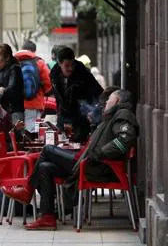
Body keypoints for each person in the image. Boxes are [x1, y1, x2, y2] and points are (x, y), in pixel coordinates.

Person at [10, 88, 139, 230]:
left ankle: (27, 189)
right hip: (88, 163)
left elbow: (124, 140)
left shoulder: (123, 114)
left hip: (96, 166)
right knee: (44, 167)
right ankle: (47, 217)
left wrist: (100, 153)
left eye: (109, 99)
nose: (106, 102)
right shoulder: (113, 115)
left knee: (47, 149)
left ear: (117, 101)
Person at [51, 46, 103, 143]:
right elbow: (58, 98)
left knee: (77, 149)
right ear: (59, 64)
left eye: (72, 65)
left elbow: (99, 93)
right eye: (67, 66)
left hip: (80, 120)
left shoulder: (83, 74)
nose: (70, 68)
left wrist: (93, 111)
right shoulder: (54, 74)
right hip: (63, 118)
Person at [14, 40, 52, 133]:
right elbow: (48, 82)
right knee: (32, 131)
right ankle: (30, 147)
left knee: (17, 130)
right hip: (34, 102)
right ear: (33, 51)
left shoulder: (12, 61)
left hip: (14, 104)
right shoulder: (39, 62)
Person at [0, 44, 25, 124]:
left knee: (15, 135)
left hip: (13, 113)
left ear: (7, 57)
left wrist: (0, 91)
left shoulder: (14, 69)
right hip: (0, 113)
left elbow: (12, 89)